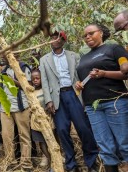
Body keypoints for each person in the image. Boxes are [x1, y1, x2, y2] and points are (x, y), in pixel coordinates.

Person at [39, 31, 98, 172]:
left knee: (83, 129)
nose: (53, 40)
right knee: (63, 131)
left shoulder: (74, 56)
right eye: (51, 38)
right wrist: (48, 101)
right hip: (57, 99)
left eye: (56, 38)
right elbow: (45, 82)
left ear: (63, 41)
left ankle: (91, 163)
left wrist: (82, 89)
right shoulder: (44, 59)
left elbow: (80, 75)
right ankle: (71, 165)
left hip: (73, 95)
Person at [76, 23, 128, 172]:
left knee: (124, 142)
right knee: (104, 146)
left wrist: (104, 74)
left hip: (115, 102)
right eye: (85, 35)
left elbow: (126, 72)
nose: (87, 37)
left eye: (91, 33)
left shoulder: (114, 48)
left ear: (101, 33)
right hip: (93, 107)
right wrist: (79, 84)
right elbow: (85, 78)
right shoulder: (84, 57)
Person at [0, 58, 33, 172]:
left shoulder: (23, 67)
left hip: (21, 106)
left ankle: (26, 163)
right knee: (7, 136)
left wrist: (12, 80)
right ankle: (11, 162)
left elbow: (28, 86)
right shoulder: (4, 70)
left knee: (24, 135)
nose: (4, 58)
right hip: (5, 108)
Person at [30, 69, 51, 169]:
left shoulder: (46, 90)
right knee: (41, 142)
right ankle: (49, 159)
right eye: (33, 79)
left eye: (38, 78)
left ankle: (56, 157)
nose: (35, 80)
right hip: (36, 121)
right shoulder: (31, 91)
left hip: (48, 119)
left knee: (51, 139)